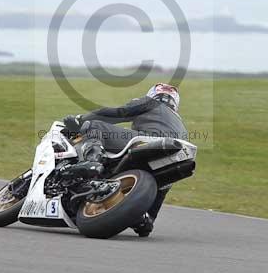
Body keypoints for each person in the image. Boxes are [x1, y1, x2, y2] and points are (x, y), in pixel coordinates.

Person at [61, 83, 188, 236]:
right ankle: (145, 219)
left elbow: (116, 113)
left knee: (96, 126)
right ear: (175, 102)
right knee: (164, 183)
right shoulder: (181, 126)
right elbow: (162, 189)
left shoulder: (150, 102)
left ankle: (92, 161)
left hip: (149, 141)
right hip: (173, 154)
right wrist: (150, 217)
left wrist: (79, 121)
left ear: (153, 94)